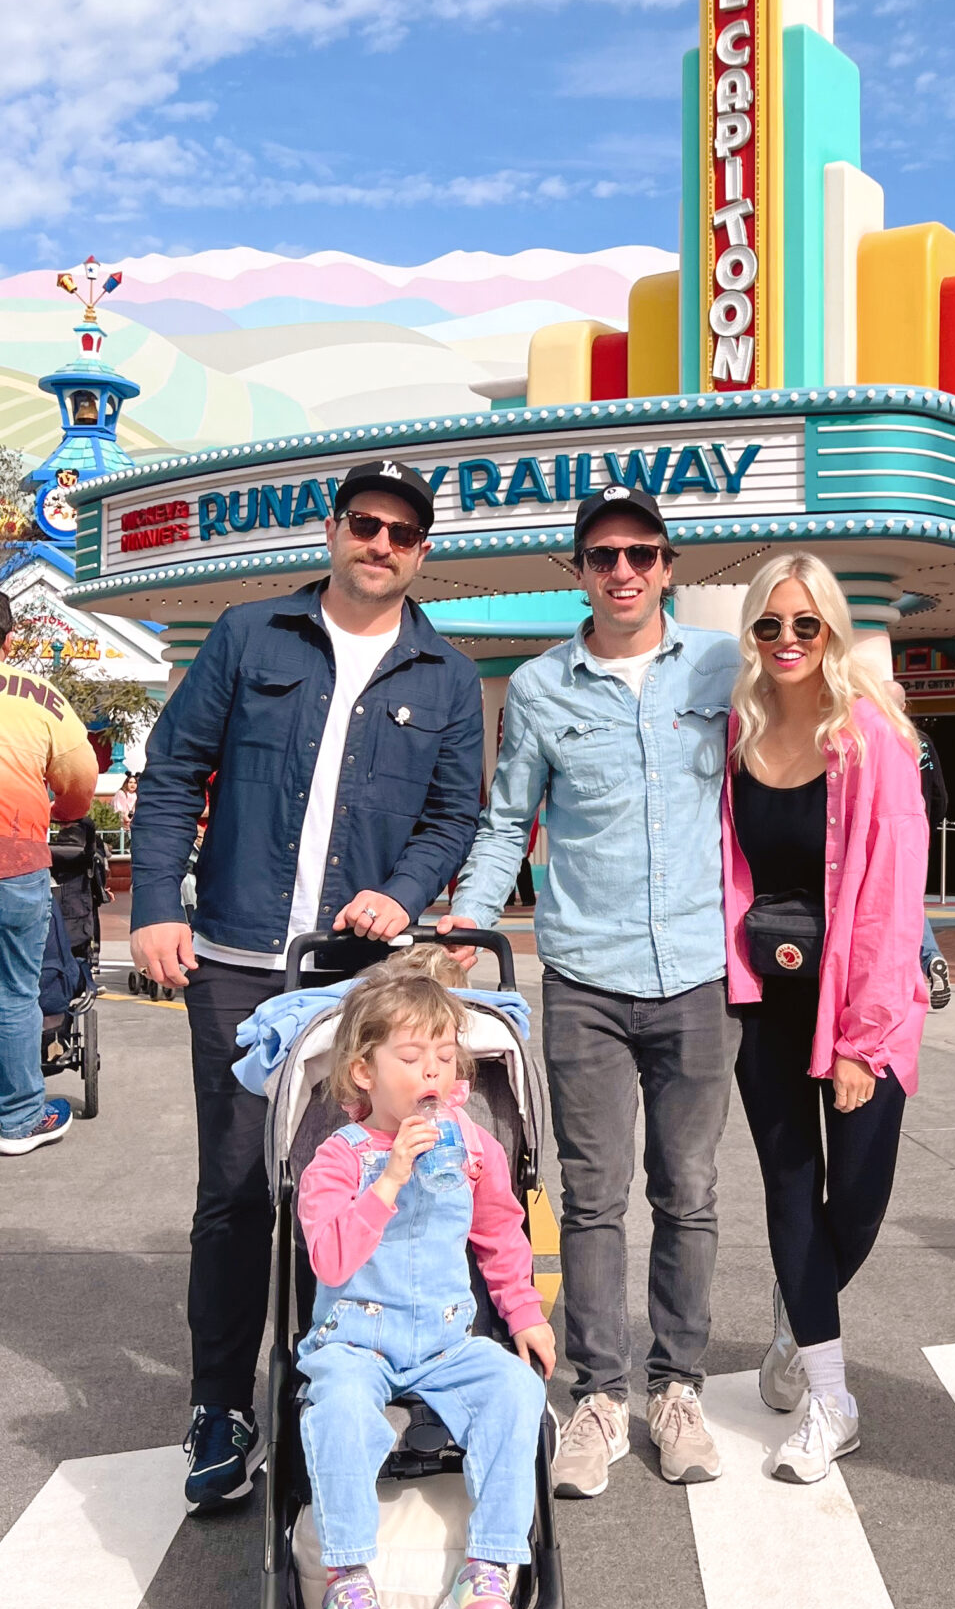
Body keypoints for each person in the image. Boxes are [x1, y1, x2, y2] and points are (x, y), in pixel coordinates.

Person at [129, 459, 485, 1514]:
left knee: (395, 1178)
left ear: (422, 553)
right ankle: (220, 1404)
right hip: (239, 960)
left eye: (404, 533)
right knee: (240, 1191)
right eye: (366, 524)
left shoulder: (447, 673)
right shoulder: (250, 636)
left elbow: (452, 814)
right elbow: (171, 773)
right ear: (335, 530)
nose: (382, 544)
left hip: (366, 985)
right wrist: (157, 902)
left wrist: (405, 889)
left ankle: (389, 1379)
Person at [440, 484, 739, 1498]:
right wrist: (467, 924)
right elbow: (506, 819)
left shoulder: (722, 666)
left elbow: (802, 771)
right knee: (593, 1198)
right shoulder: (537, 689)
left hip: (701, 973)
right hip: (587, 980)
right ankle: (602, 1396)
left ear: (669, 564)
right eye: (604, 554)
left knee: (690, 1195)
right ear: (578, 568)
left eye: (642, 553)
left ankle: (679, 1388)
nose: (624, 571)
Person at [722, 553, 930, 1483]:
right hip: (765, 1001)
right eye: (771, 626)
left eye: (806, 625)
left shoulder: (875, 736)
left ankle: (798, 1306)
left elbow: (893, 896)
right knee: (788, 1192)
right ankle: (830, 1394)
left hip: (857, 1006)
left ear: (833, 630)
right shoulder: (738, 730)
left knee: (860, 1199)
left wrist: (862, 1039)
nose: (789, 642)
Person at [297, 968, 553, 1609]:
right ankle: (348, 1580)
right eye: (410, 1059)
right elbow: (330, 1259)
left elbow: (501, 1233)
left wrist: (524, 1313)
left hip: (443, 1335)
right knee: (340, 1406)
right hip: (357, 1335)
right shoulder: (337, 1160)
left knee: (516, 1388)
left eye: (444, 1058)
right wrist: (388, 1181)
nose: (430, 1071)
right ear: (364, 1073)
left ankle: (488, 1569)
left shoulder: (471, 1146)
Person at [0, 596, 99, 1157]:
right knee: (15, 992)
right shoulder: (39, 697)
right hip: (14, 860)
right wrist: (60, 812)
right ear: (9, 639)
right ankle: (18, 1118)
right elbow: (80, 779)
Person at [887, 686, 951, 1009]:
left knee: (897, 903)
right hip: (918, 832)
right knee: (910, 899)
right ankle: (928, 961)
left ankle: (927, 959)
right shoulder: (922, 740)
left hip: (887, 834)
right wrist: (928, 823)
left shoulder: (881, 739)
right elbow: (939, 793)